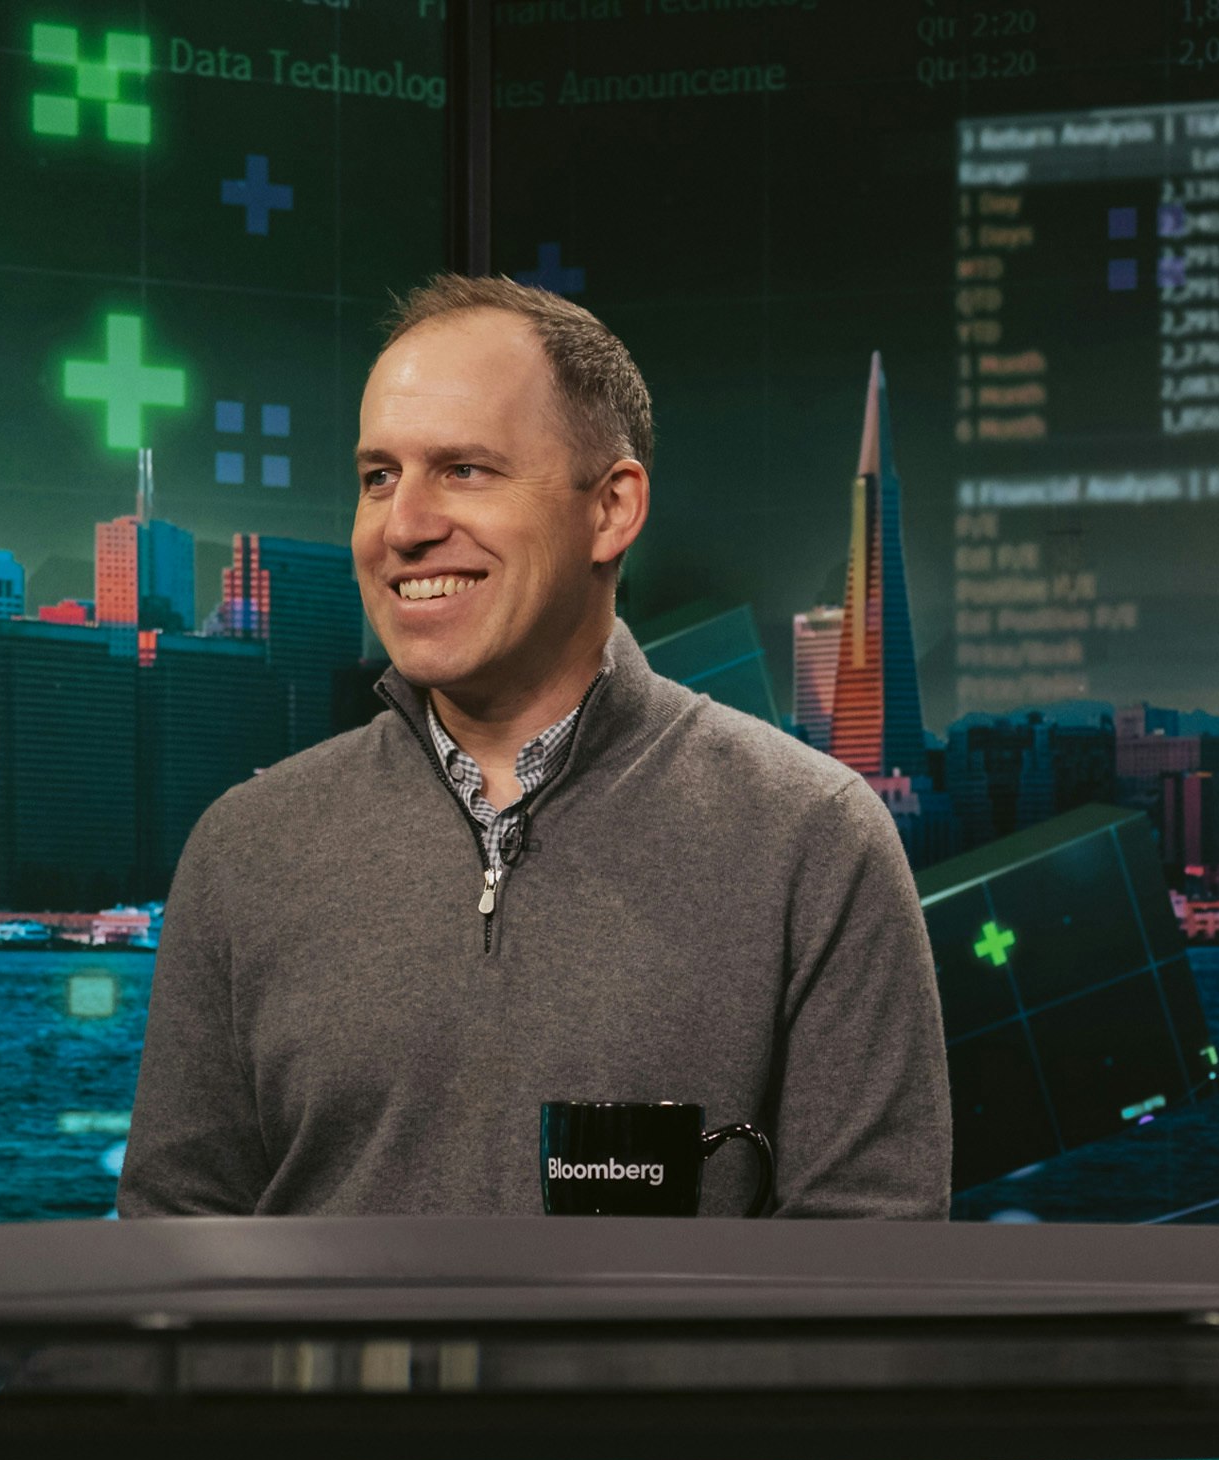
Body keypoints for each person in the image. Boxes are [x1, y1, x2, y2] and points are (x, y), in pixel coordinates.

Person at [122, 275, 951, 1218]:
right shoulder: (247, 849)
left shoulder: (816, 841)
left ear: (611, 509)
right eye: (377, 477)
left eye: (464, 469)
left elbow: (869, 1277)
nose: (404, 526)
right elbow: (172, 1256)